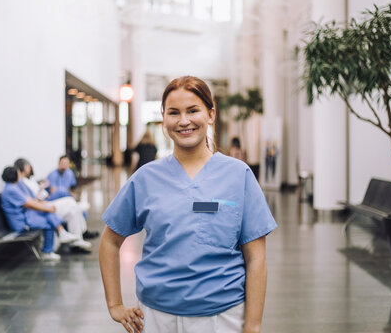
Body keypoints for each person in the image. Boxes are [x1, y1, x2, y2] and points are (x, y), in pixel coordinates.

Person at [99, 76, 277, 333]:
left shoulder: (238, 175)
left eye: (193, 110)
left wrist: (252, 326)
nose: (183, 121)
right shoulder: (147, 178)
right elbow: (109, 240)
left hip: (222, 317)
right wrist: (114, 303)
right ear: (164, 118)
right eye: (174, 113)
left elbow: (257, 258)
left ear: (210, 114)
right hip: (157, 315)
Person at [0, 166, 80, 261]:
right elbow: (28, 203)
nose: (20, 176)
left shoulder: (13, 187)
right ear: (14, 176)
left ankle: (61, 233)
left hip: (25, 216)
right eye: (18, 174)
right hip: (20, 223)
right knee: (47, 222)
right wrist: (48, 208)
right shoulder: (11, 190)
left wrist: (46, 207)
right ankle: (48, 251)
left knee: (46, 212)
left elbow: (29, 200)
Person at [14, 158, 93, 252]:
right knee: (70, 203)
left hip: (44, 201)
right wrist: (46, 206)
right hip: (43, 204)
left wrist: (41, 188)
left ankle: (77, 240)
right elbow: (31, 201)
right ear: (23, 168)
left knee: (72, 210)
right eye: (28, 166)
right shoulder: (21, 183)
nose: (30, 168)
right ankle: (79, 219)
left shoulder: (30, 180)